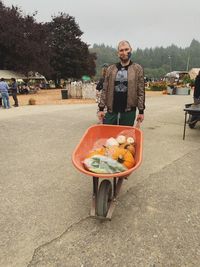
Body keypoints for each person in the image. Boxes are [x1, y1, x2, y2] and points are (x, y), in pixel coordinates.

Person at [98, 40, 145, 126]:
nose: (124, 52)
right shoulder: (110, 69)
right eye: (121, 50)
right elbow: (105, 90)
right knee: (108, 137)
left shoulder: (137, 69)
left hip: (129, 111)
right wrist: (101, 108)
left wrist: (141, 111)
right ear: (118, 53)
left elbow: (141, 91)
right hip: (111, 111)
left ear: (131, 50)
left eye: (126, 49)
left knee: (125, 137)